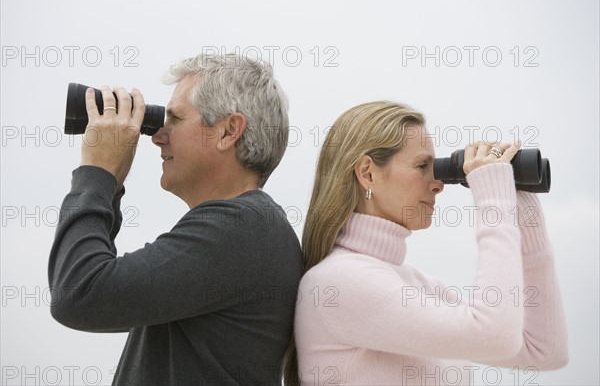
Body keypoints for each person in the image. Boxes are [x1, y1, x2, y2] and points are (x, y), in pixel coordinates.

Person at [48, 54, 303, 385]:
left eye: (176, 119)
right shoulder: (250, 227)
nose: (157, 136)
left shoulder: (242, 227)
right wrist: (109, 186)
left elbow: (78, 294)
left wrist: (97, 173)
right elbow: (106, 300)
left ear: (228, 131)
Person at [287, 101, 568, 385]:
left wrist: (522, 208)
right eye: (422, 166)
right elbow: (495, 336)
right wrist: (494, 202)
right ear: (367, 173)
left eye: (436, 168)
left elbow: (544, 350)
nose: (438, 184)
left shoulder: (422, 286)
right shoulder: (338, 282)